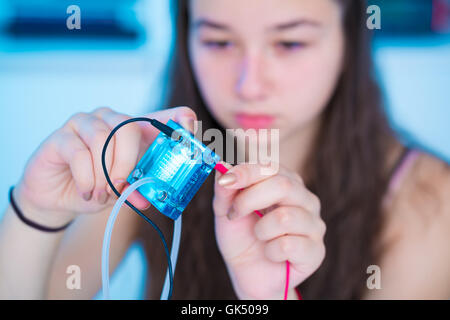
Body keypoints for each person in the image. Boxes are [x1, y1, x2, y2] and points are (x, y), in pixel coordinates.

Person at [1, 0, 449, 300]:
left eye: (289, 43)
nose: (248, 85)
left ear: (350, 40)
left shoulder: (430, 201)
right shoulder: (150, 159)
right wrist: (35, 209)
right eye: (218, 41)